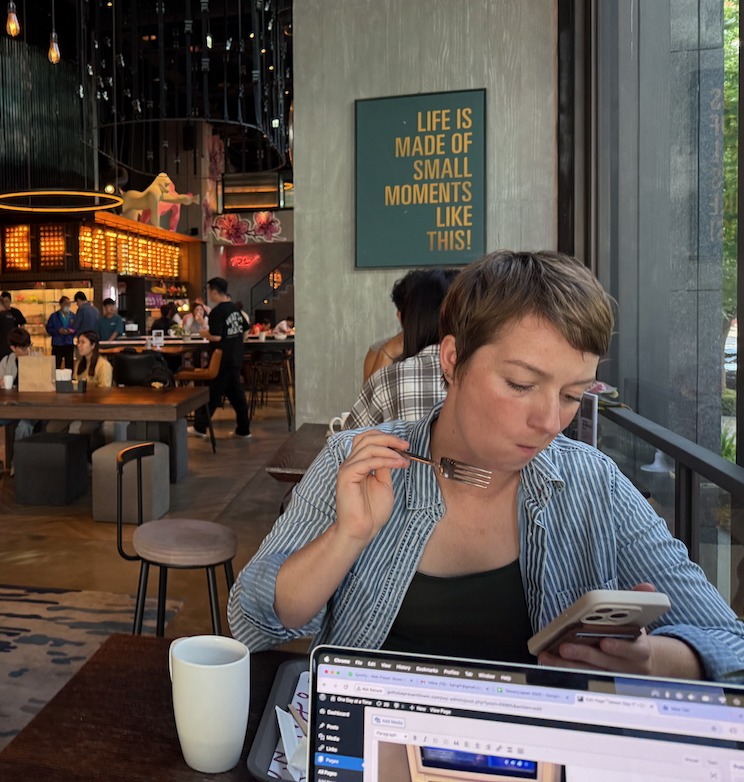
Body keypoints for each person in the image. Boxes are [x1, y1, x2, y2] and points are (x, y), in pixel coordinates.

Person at [229, 251, 744, 681]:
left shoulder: (592, 484)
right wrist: (348, 536)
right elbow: (253, 623)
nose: (549, 422)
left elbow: (729, 641)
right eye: (521, 384)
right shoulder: (361, 462)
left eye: (571, 395)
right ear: (453, 359)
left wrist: (651, 659)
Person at [344, 268, 459, 429]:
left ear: (411, 319)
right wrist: (386, 352)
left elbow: (351, 437)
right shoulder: (480, 374)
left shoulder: (389, 378)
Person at [193, 278, 250, 439]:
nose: (209, 295)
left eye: (209, 291)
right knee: (235, 394)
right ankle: (243, 429)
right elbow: (246, 329)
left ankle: (200, 427)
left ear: (214, 292)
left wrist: (204, 334)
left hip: (221, 359)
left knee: (214, 393)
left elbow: (216, 337)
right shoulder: (235, 309)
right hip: (236, 356)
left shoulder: (217, 312)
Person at [0, 327, 37, 472]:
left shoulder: (38, 360)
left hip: (32, 407)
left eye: (29, 346)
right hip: (11, 406)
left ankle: (18, 463)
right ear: (13, 348)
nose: (27, 351)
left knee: (24, 426)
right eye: (23, 348)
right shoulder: (6, 361)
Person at [362, 270, 426, 383]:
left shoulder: (449, 349)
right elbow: (370, 394)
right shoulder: (378, 351)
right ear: (400, 317)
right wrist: (386, 354)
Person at [47, 331, 113, 437]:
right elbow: (74, 385)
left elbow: (105, 391)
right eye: (78, 342)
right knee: (53, 427)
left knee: (85, 429)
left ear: (93, 345)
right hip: (78, 406)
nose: (79, 346)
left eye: (83, 342)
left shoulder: (103, 365)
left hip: (95, 408)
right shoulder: (78, 364)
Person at [46, 296, 77, 368]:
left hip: (69, 343)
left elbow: (77, 328)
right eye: (66, 303)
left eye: (69, 304)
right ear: (61, 304)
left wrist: (72, 331)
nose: (68, 306)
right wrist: (58, 331)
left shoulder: (73, 316)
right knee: (56, 365)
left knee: (69, 365)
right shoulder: (54, 316)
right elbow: (49, 328)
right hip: (57, 344)